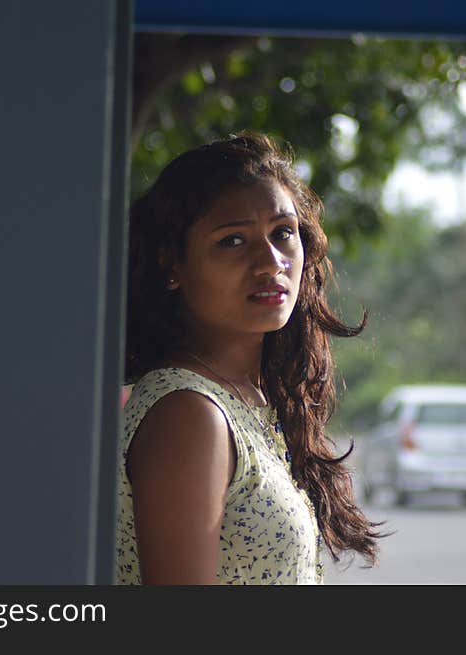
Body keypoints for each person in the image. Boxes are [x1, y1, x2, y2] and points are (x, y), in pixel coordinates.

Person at [116, 131, 386, 584]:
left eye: (283, 233)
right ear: (171, 265)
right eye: (232, 241)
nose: (271, 261)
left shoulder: (248, 396)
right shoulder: (188, 414)